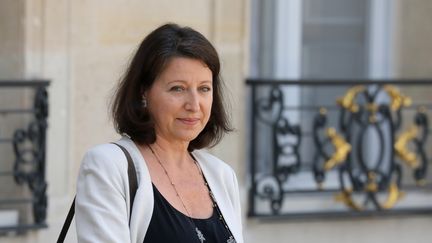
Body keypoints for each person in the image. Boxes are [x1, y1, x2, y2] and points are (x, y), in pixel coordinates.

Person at [75, 23, 244, 243]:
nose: (194, 104)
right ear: (143, 92)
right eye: (178, 88)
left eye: (204, 88)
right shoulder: (107, 166)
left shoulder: (222, 175)